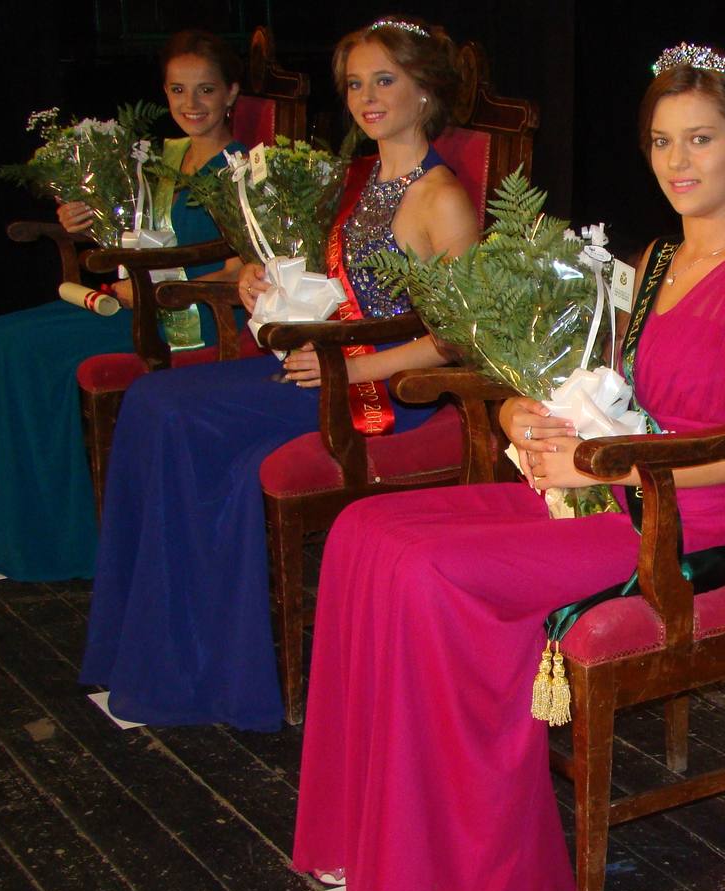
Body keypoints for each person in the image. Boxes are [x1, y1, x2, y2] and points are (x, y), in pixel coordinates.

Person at [291, 43, 725, 891]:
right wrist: (520, 410)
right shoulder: (653, 265)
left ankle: (462, 874)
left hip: (688, 518)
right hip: (601, 489)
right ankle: (376, 849)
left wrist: (599, 462)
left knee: (431, 575)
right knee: (361, 531)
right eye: (661, 142)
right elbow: (602, 387)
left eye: (701, 140)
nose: (677, 162)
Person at [78, 16, 480, 732]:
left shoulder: (440, 197)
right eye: (355, 84)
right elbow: (326, 279)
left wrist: (358, 362)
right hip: (318, 367)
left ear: (427, 92)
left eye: (385, 80)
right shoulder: (356, 177)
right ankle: (151, 659)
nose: (367, 97)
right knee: (151, 401)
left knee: (176, 415)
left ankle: (194, 677)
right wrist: (259, 279)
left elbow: (456, 340)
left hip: (382, 395)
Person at [0, 29, 245, 582]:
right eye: (179, 90)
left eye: (206, 91)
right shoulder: (165, 159)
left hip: (188, 318)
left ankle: (65, 545)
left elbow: (243, 264)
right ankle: (15, 533)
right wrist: (83, 218)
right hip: (135, 301)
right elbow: (132, 233)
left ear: (231, 94)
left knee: (32, 350)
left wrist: (161, 287)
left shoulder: (242, 168)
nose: (192, 104)